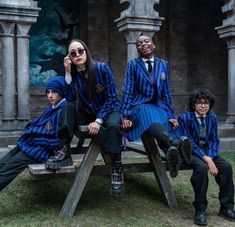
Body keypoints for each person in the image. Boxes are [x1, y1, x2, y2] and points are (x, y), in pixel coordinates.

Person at [44, 39, 123, 197]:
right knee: (67, 106)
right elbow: (72, 98)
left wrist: (99, 120)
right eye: (73, 53)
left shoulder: (101, 68)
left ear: (86, 51)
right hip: (88, 112)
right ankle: (64, 149)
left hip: (108, 110)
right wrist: (67, 73)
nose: (78, 55)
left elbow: (112, 98)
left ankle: (116, 169)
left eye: (80, 51)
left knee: (113, 126)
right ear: (70, 58)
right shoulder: (73, 74)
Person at [121, 34, 192, 177]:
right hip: (140, 105)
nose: (143, 45)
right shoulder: (133, 65)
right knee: (152, 118)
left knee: (166, 121)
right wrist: (125, 115)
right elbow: (127, 90)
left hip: (158, 105)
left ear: (153, 44)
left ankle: (172, 155)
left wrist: (172, 115)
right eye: (139, 44)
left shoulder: (163, 64)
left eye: (146, 41)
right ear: (137, 49)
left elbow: (165, 92)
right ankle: (177, 143)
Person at [178, 88, 235, 225]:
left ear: (210, 105)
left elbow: (214, 140)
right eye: (199, 103)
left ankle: (226, 208)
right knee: (201, 169)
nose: (203, 106)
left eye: (206, 103)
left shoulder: (213, 118)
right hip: (190, 151)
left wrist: (211, 156)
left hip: (207, 152)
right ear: (194, 105)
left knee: (226, 167)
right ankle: (200, 209)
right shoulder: (184, 118)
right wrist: (207, 159)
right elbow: (189, 141)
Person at [0, 76, 67, 191]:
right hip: (31, 146)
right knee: (3, 163)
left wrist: (34, 137)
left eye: (54, 92)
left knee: (7, 171)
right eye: (48, 92)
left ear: (61, 92)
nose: (50, 95)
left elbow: (56, 141)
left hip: (40, 151)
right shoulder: (51, 108)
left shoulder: (62, 110)